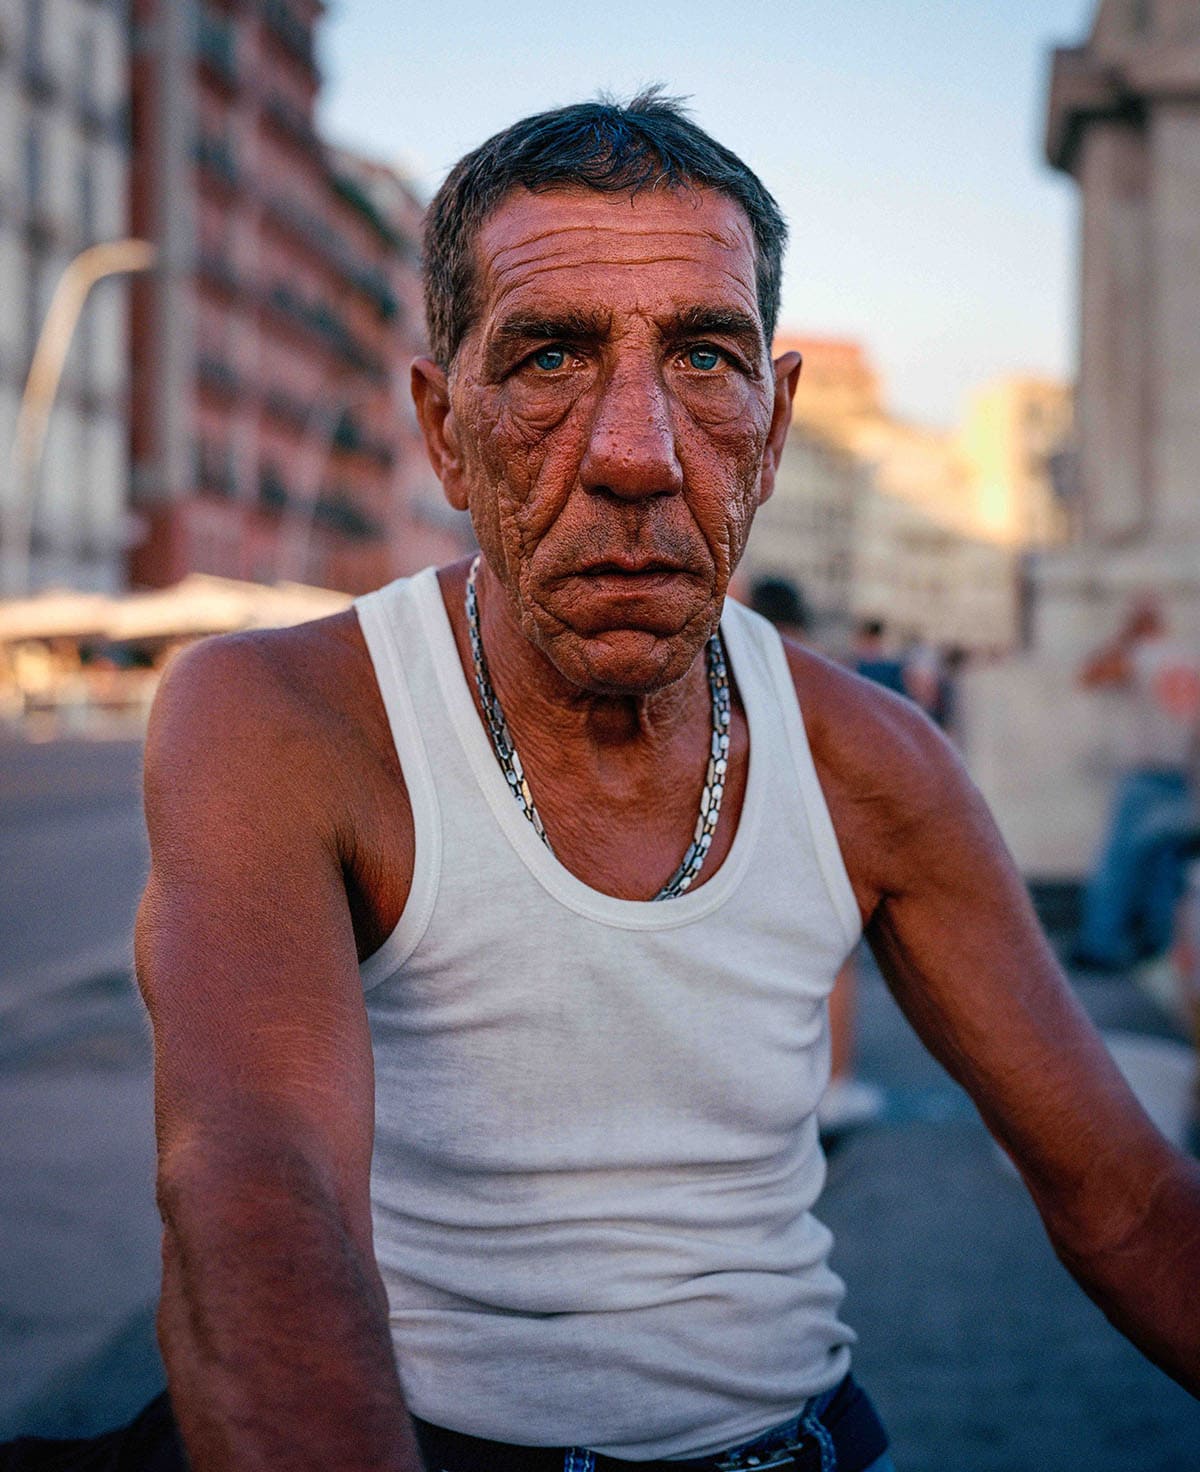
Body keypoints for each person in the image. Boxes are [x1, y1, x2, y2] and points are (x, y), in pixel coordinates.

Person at [17, 93, 1199, 1472]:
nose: (636, 452)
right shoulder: (286, 717)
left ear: (774, 422)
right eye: (547, 359)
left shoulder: (874, 762)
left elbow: (1126, 1197)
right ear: (444, 430)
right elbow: (255, 1192)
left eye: (705, 359)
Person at [1073, 598, 1200, 971]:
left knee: (1118, 865)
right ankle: (1160, 946)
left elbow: (1089, 676)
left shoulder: (1138, 656)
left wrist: (1123, 638)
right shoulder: (1188, 659)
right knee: (1166, 868)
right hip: (1180, 776)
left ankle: (1100, 946)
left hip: (1143, 775)